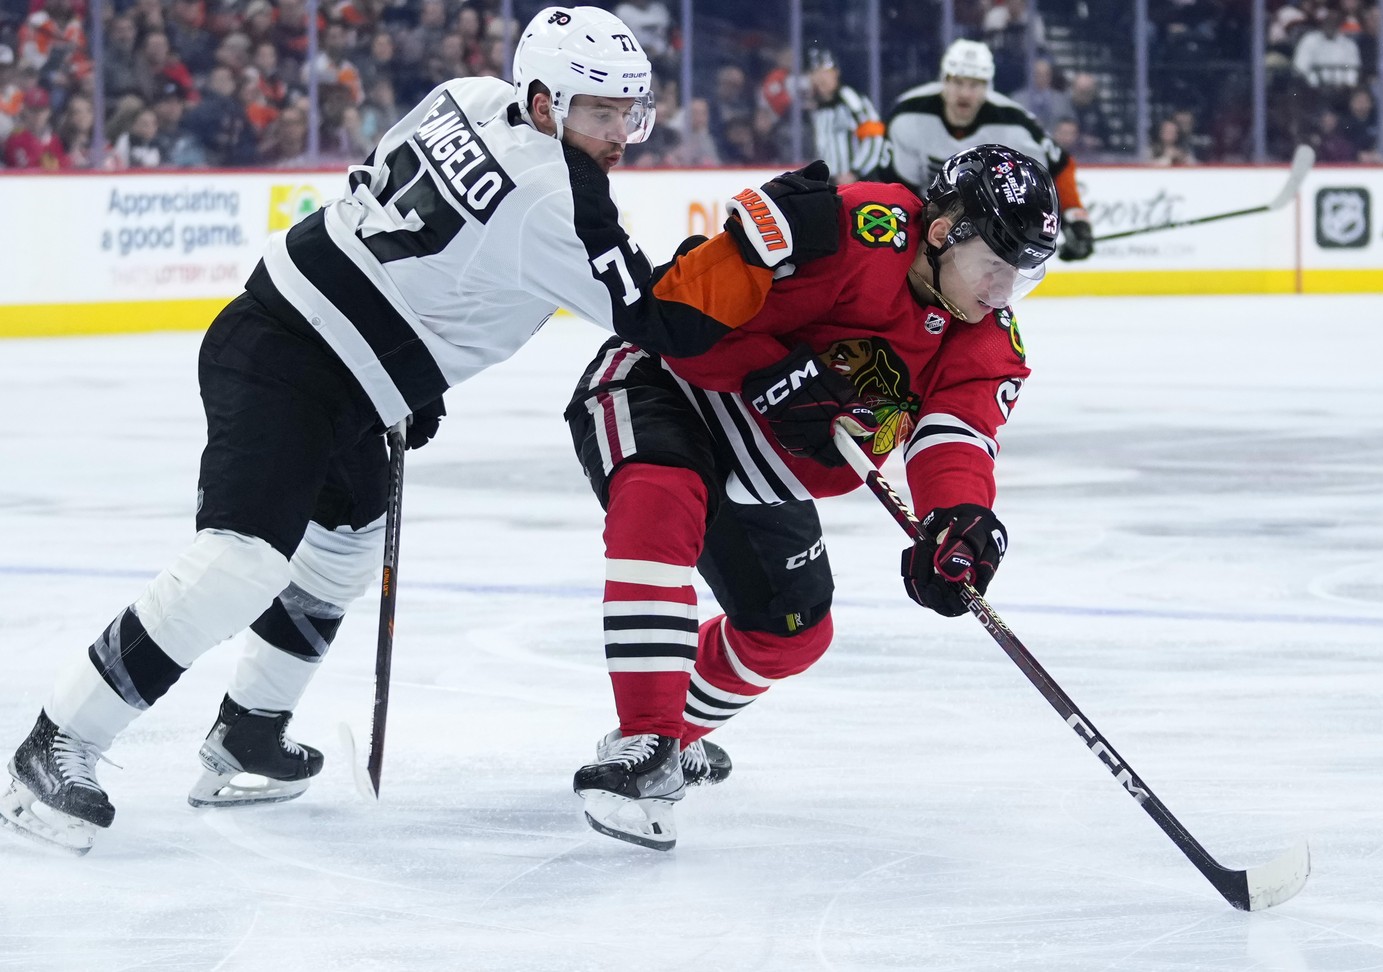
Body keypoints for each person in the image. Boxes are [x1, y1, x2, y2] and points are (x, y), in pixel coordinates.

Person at [0, 5, 840, 855]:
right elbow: (664, 321)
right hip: (295, 363)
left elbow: (390, 205)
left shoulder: (470, 94)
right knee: (242, 559)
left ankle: (248, 732)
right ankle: (57, 743)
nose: (620, 132)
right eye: (599, 111)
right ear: (544, 102)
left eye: (628, 110)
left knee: (341, 546)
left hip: (319, 344)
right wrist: (760, 242)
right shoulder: (559, 192)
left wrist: (403, 364)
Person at [564, 144, 1057, 850]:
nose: (1003, 292)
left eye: (1023, 276)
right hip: (666, 389)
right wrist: (771, 369)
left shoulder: (984, 337)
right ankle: (644, 743)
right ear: (947, 231)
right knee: (660, 497)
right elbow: (677, 314)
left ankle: (671, 734)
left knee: (791, 628)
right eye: (998, 266)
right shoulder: (861, 230)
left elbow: (958, 435)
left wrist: (959, 521)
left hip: (762, 466)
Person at [883, 39, 1092, 263]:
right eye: (957, 82)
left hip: (987, 234)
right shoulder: (907, 116)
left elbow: (1058, 164)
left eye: (975, 84)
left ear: (988, 87)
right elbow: (895, 186)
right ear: (943, 80)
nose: (965, 93)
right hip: (929, 223)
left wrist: (1075, 219)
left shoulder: (1015, 123)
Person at [804, 46, 888, 185]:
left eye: (826, 72)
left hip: (858, 183)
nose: (821, 78)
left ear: (836, 72)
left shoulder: (851, 100)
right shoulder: (814, 108)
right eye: (816, 72)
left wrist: (856, 171)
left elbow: (875, 137)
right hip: (829, 185)